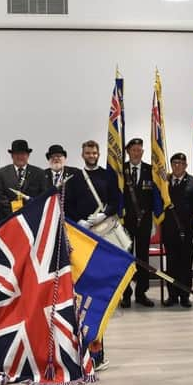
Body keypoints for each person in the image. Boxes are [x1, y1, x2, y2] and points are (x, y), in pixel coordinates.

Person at [65, 140, 117, 372]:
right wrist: (80, 222)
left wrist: (103, 214)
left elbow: (117, 202)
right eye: (88, 152)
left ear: (98, 153)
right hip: (82, 235)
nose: (92, 155)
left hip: (104, 233)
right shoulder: (75, 179)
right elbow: (68, 206)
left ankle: (98, 352)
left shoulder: (108, 176)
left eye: (94, 152)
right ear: (82, 154)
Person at [161, 153, 193, 308]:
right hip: (169, 230)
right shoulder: (165, 182)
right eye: (175, 163)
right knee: (171, 264)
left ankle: (185, 296)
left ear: (186, 165)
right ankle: (172, 295)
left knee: (185, 265)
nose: (178, 165)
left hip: (188, 231)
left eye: (181, 163)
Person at [121, 138, 155, 308]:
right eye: (133, 150)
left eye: (139, 150)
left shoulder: (151, 170)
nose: (136, 152)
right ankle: (125, 294)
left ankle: (141, 293)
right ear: (128, 152)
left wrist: (156, 219)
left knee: (143, 258)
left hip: (145, 221)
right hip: (125, 222)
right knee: (126, 259)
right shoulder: (121, 170)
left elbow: (155, 196)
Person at [0, 139, 47, 218]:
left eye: (23, 154)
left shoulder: (39, 173)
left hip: (32, 216)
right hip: (8, 217)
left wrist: (29, 210)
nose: (20, 157)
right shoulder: (2, 172)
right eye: (17, 154)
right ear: (12, 156)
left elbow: (43, 195)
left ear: (28, 155)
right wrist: (14, 210)